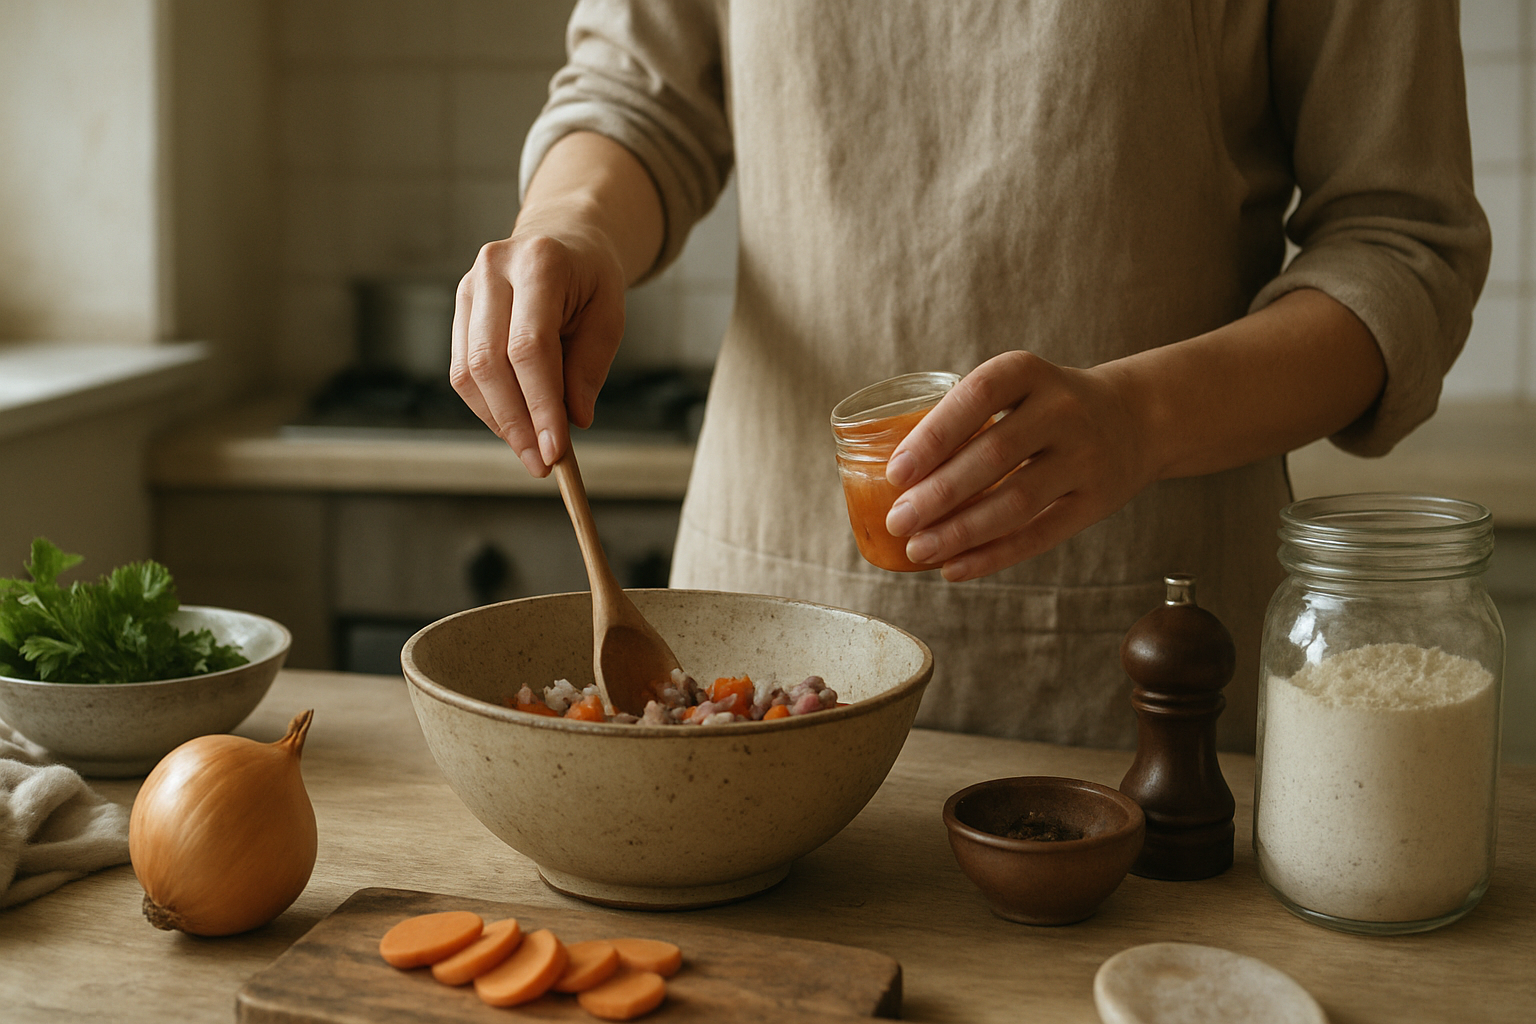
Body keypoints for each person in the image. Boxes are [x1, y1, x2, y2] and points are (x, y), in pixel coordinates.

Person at [450, 1, 1490, 750]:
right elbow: (639, 95)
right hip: (760, 616)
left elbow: (1403, 248)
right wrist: (571, 223)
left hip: (1147, 669)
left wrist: (1140, 419)